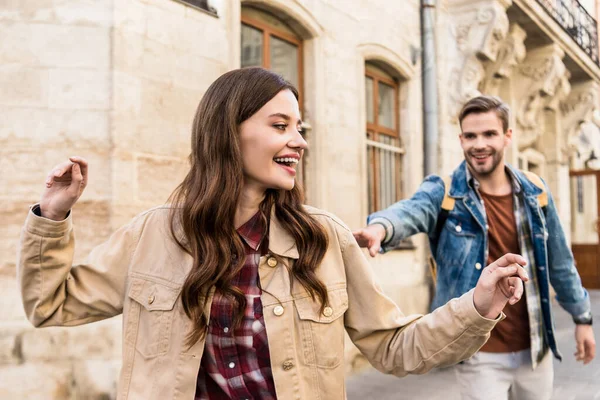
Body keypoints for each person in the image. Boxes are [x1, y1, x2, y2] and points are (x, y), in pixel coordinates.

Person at [18, 69, 527, 400]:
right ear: (227, 130)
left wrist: (478, 303)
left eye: (300, 128)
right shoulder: (153, 234)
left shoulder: (323, 240)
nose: (298, 141)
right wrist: (52, 216)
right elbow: (50, 304)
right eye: (281, 125)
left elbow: (394, 346)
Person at [353, 95, 596, 400]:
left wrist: (582, 318)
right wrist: (381, 227)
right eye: (471, 135)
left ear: (507, 136)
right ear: (461, 139)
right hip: (478, 352)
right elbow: (410, 211)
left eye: (489, 134)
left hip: (535, 346)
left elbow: (560, 262)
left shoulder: (536, 192)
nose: (479, 144)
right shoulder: (445, 192)